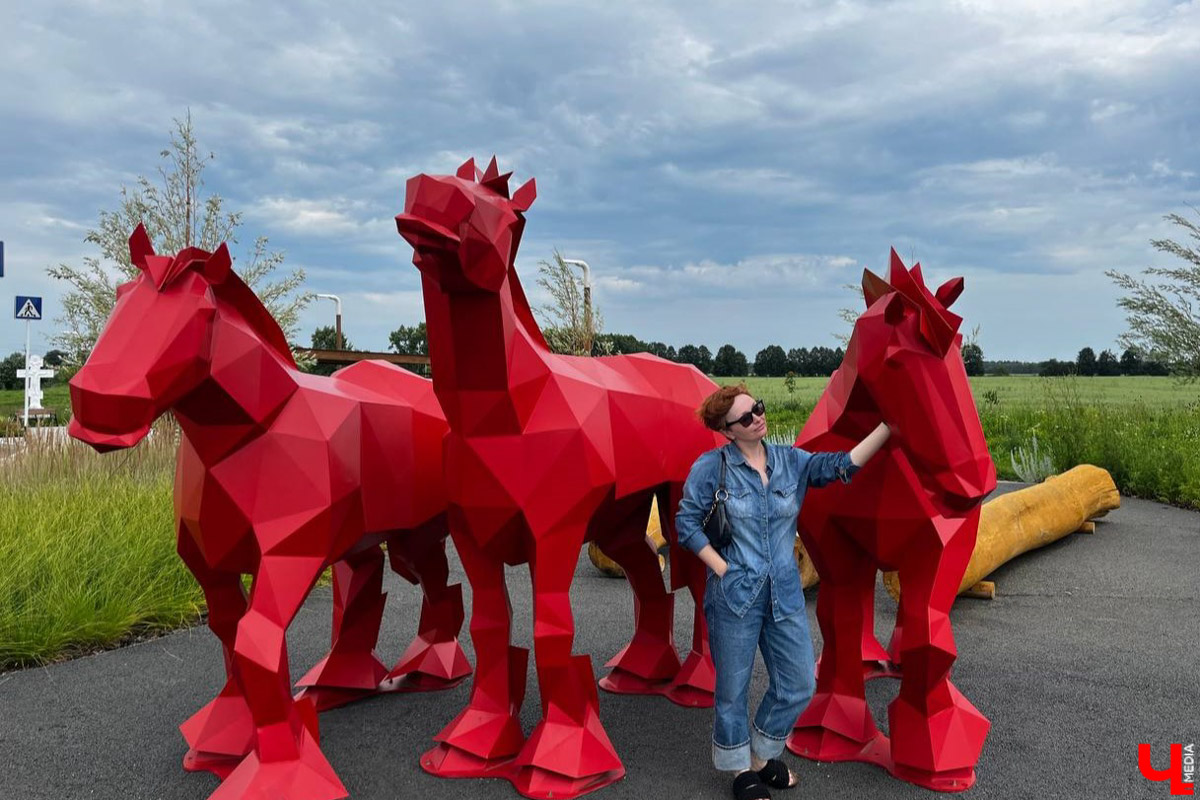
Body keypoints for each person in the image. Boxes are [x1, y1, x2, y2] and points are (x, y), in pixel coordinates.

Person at [676, 383, 890, 800]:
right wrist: (723, 568)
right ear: (727, 430)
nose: (757, 417)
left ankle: (762, 753)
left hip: (784, 595)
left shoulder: (791, 461)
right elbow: (687, 524)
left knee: (797, 684)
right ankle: (740, 769)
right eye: (745, 417)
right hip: (734, 598)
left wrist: (887, 428)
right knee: (732, 691)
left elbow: (841, 466)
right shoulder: (711, 467)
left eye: (757, 407)